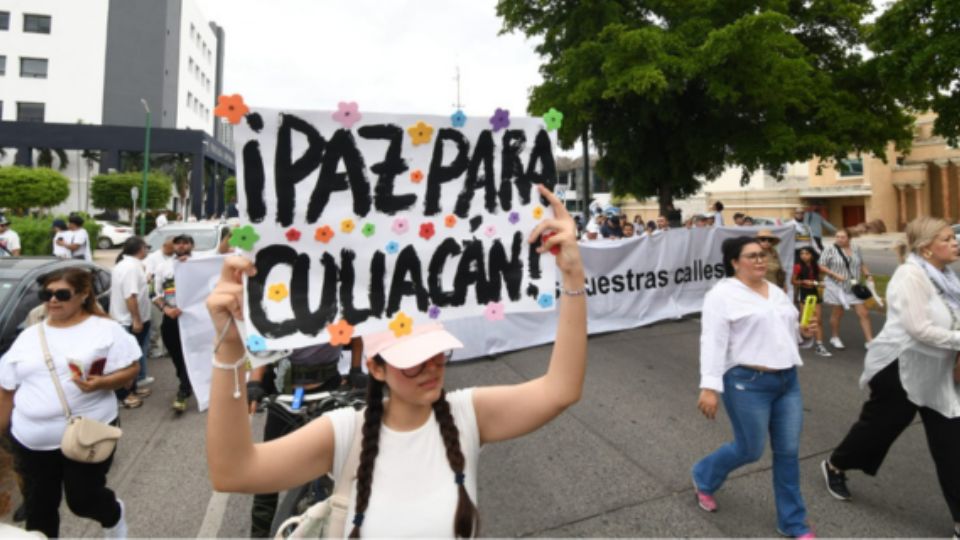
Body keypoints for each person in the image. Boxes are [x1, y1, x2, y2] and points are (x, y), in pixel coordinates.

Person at [206, 184, 587, 538]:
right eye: (412, 360)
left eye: (436, 353)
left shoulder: (467, 414)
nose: (431, 368)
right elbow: (234, 471)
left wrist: (572, 274)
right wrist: (228, 349)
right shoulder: (343, 433)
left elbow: (560, 389)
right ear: (376, 367)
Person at [820, 217, 960, 539]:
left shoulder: (946, 275)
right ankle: (835, 466)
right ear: (926, 248)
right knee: (878, 431)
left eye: (954, 238)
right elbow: (919, 329)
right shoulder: (909, 275)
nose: (955, 243)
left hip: (938, 371)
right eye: (948, 238)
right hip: (900, 368)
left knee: (952, 445)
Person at [0, 267, 140, 538]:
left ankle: (114, 515)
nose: (52, 300)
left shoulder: (105, 330)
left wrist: (101, 383)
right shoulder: (29, 336)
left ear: (83, 294)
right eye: (46, 294)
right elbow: (6, 390)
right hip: (31, 440)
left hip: (86, 433)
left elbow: (131, 370)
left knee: (83, 500)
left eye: (62, 294)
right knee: (39, 509)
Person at [693, 236, 818, 538]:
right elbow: (713, 341)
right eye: (751, 256)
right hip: (747, 383)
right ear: (735, 262)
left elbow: (787, 335)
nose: (760, 260)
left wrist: (803, 333)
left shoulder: (774, 291)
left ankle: (793, 523)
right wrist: (710, 386)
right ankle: (704, 475)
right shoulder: (721, 295)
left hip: (787, 381)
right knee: (749, 450)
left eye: (762, 255)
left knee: (788, 453)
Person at [246, 343, 366, 537]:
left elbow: (356, 325)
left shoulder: (335, 311)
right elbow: (262, 339)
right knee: (266, 472)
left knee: (346, 462)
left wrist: (356, 368)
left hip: (329, 386)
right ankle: (258, 534)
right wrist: (254, 383)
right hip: (287, 391)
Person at [110, 237, 155, 409]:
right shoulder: (130, 268)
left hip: (129, 319)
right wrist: (136, 319)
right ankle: (123, 395)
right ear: (141, 248)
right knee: (127, 361)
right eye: (147, 247)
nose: (147, 250)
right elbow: (131, 296)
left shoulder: (129, 265)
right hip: (128, 321)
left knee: (134, 357)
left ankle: (133, 389)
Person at [154, 234, 195, 413]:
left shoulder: (200, 263)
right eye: (178, 243)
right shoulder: (163, 267)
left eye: (185, 243)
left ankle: (184, 391)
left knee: (191, 355)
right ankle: (185, 380)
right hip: (171, 318)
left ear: (192, 245)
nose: (181, 246)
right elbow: (154, 292)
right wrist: (166, 309)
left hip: (194, 320)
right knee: (176, 354)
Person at [819, 229, 874, 349]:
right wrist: (834, 274)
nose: (839, 239)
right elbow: (821, 265)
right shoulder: (830, 249)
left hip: (854, 286)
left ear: (849, 238)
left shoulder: (855, 248)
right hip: (836, 285)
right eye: (837, 236)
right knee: (838, 312)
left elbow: (861, 264)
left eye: (842, 237)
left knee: (864, 313)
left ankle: (870, 341)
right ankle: (835, 337)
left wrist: (868, 275)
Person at [792, 247, 831, 357]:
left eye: (807, 253)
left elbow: (820, 280)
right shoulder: (798, 266)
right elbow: (793, 281)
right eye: (802, 254)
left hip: (814, 292)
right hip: (803, 293)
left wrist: (821, 283)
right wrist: (803, 281)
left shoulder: (816, 266)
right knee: (806, 319)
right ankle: (800, 339)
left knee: (818, 319)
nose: (804, 256)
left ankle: (819, 345)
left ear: (812, 255)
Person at [144, 237, 175, 359]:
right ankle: (154, 349)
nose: (174, 250)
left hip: (171, 296)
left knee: (168, 325)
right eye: (172, 248)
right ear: (165, 246)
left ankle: (168, 348)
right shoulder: (153, 258)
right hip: (157, 296)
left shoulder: (174, 256)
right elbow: (149, 276)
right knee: (157, 325)